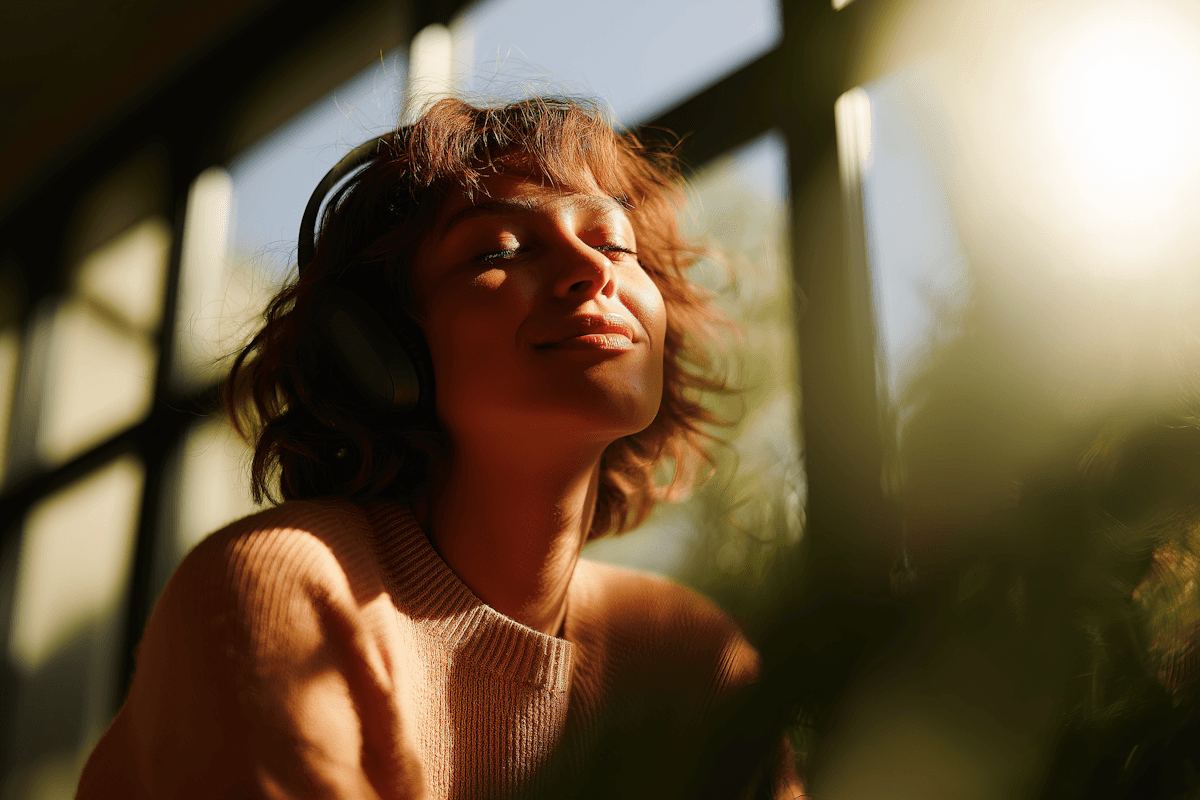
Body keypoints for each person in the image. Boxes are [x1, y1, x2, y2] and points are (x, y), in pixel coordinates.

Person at [77, 97, 802, 799]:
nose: (594, 270)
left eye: (614, 241)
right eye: (501, 249)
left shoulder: (690, 652)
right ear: (381, 349)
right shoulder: (284, 588)